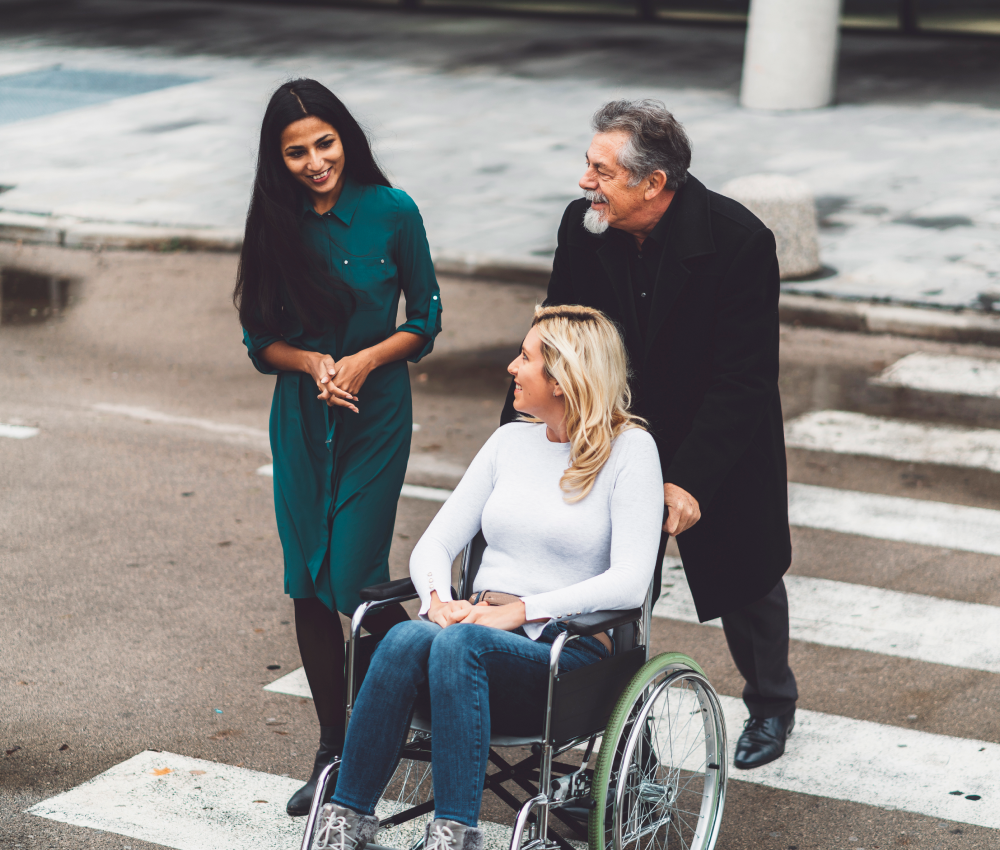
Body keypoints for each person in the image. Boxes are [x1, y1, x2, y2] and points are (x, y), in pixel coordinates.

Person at [501, 99, 797, 770]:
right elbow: (554, 336)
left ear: (653, 183)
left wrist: (688, 480)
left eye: (602, 171)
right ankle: (623, 731)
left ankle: (773, 702)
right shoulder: (584, 227)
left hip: (719, 437)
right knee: (614, 584)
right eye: (589, 165)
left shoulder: (739, 240)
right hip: (619, 429)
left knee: (747, 581)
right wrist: (521, 435)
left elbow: (743, 379)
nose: (585, 183)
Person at [309, 305, 664, 850]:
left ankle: (455, 833)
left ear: (565, 379)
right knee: (407, 634)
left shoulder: (631, 452)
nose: (511, 367)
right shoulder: (509, 443)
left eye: (525, 357)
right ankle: (347, 823)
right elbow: (435, 542)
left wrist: (517, 611)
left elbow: (630, 583)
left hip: (561, 650)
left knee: (462, 644)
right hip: (474, 630)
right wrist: (438, 599)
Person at [234, 79, 442, 815]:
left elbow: (426, 318)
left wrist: (363, 360)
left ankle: (389, 725)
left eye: (324, 143)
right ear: (277, 158)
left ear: (345, 136)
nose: (315, 161)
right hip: (300, 420)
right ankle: (333, 748)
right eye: (296, 151)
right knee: (307, 582)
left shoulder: (392, 211)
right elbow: (262, 343)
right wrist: (313, 364)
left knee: (353, 580)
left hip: (375, 415)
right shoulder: (272, 223)